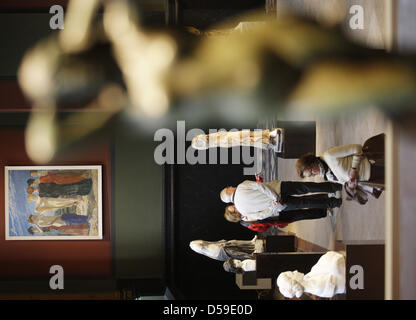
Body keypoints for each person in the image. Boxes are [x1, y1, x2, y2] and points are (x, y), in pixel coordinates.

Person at [296, 134, 385, 202]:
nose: (314, 174)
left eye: (311, 172)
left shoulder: (329, 155)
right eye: (311, 175)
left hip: (375, 165)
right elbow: (344, 180)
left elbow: (357, 148)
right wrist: (349, 185)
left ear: (312, 162)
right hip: (371, 180)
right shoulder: (326, 175)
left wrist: (354, 168)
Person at [220, 179, 342, 221]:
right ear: (228, 192)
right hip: (279, 188)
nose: (230, 186)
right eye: (228, 187)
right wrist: (274, 196)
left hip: (280, 206)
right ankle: (334, 187)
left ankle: (334, 203)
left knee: (306, 203)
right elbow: (260, 186)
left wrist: (274, 206)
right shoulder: (242, 186)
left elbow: (262, 215)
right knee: (307, 187)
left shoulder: (244, 212)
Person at [224, 204, 331, 232]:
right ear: (234, 215)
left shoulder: (245, 207)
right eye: (233, 209)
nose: (235, 206)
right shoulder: (245, 222)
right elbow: (262, 228)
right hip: (278, 218)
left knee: (300, 204)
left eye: (232, 206)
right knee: (302, 214)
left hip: (276, 208)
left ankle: (325, 202)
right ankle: (324, 212)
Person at [192, 128, 283, 152]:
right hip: (225, 140)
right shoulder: (197, 144)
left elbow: (204, 137)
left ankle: (269, 134)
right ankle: (268, 141)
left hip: (225, 136)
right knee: (248, 140)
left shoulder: (197, 139)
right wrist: (200, 138)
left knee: (247, 133)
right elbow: (205, 140)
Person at [27, 178, 92, 198]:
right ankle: (86, 185)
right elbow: (50, 183)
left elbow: (51, 196)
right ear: (32, 187)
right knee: (71, 186)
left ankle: (86, 190)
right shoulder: (40, 185)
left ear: (32, 192)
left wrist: (56, 195)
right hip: (58, 187)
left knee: (71, 191)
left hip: (58, 192)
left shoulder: (40, 195)